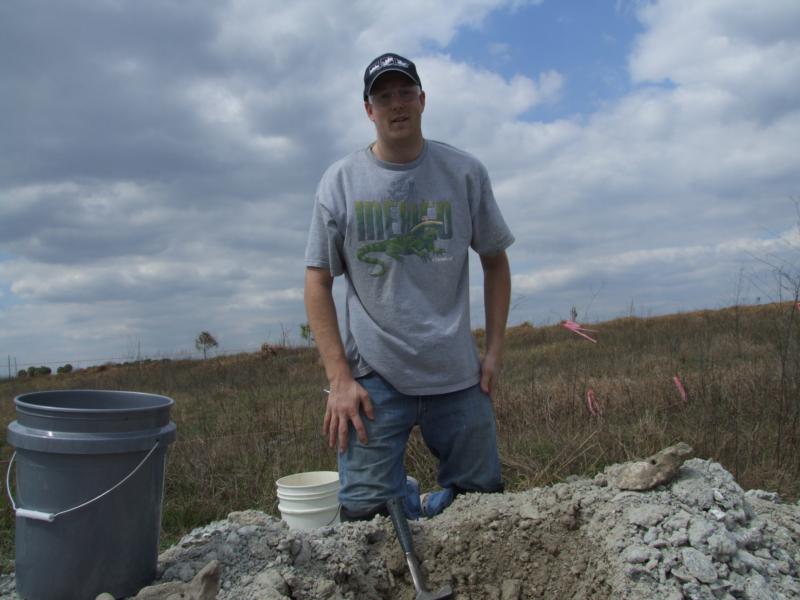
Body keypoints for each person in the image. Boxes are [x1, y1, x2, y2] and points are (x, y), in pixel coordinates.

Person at [304, 52, 514, 522]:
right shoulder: (340, 182)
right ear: (368, 110)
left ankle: (426, 512)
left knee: (483, 507)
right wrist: (339, 379)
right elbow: (317, 280)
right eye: (383, 96)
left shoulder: (464, 173)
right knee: (365, 518)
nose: (395, 104)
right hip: (373, 377)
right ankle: (397, 498)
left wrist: (495, 351)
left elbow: (496, 261)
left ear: (422, 100)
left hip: (456, 372)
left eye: (404, 93)